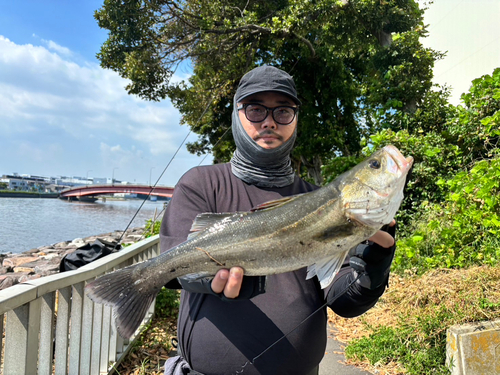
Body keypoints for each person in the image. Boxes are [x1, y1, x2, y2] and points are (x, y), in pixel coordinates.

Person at [160, 65, 397, 375]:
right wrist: (214, 277)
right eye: (256, 110)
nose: (269, 121)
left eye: (283, 111)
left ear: (296, 119)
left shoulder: (320, 200)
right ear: (237, 114)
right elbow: (173, 267)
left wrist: (374, 268)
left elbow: (342, 300)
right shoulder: (201, 183)